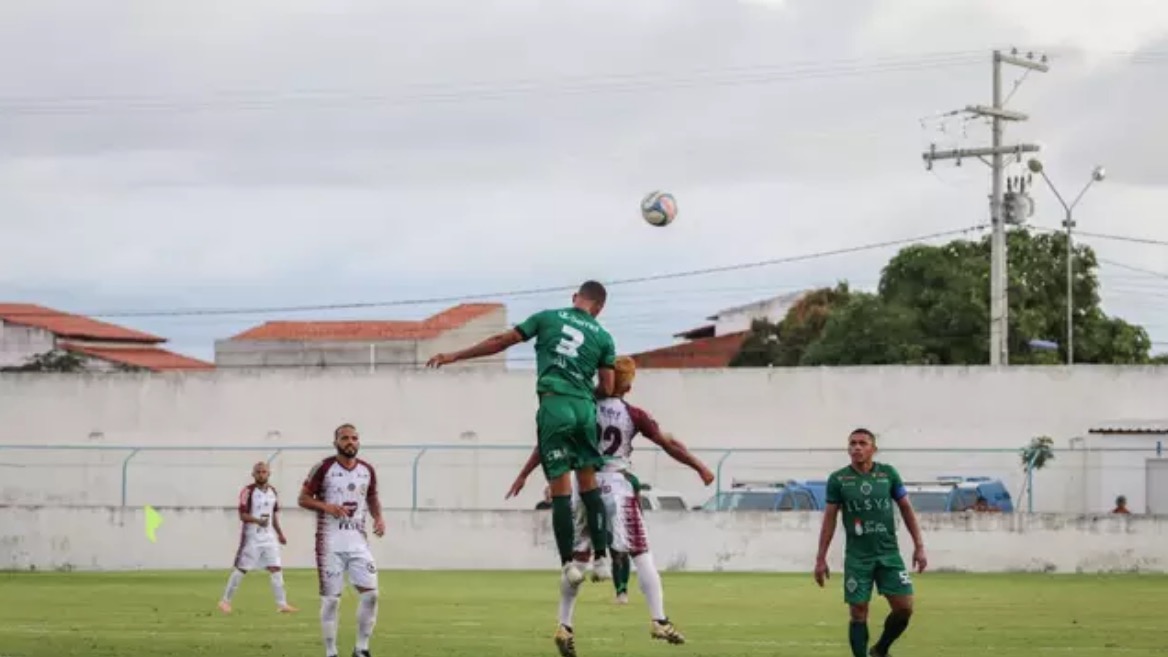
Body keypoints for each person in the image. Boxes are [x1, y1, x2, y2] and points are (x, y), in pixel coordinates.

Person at [506, 355, 715, 656]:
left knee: (576, 560)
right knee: (641, 552)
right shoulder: (633, 414)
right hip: (616, 486)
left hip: (582, 486)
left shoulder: (581, 407)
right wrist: (700, 467)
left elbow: (548, 443)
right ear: (628, 386)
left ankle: (564, 625)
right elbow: (669, 443)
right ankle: (659, 619)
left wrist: (525, 474)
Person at [427, 280, 617, 585]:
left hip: (554, 405)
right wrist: (582, 395)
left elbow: (502, 341)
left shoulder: (547, 317)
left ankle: (569, 563)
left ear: (574, 298)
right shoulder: (605, 338)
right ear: (600, 307)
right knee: (589, 484)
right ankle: (602, 559)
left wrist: (455, 356)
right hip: (584, 408)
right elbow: (607, 387)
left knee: (561, 491)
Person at [814, 428, 927, 657]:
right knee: (858, 612)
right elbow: (829, 519)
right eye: (852, 443)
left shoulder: (888, 474)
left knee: (904, 608)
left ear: (873, 449)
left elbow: (906, 508)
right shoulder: (838, 479)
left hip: (889, 554)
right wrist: (820, 558)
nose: (856, 447)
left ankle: (881, 649)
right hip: (858, 557)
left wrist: (919, 546)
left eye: (862, 443)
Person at [298, 423, 386, 657]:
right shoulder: (324, 468)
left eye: (354, 438)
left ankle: (361, 649)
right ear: (336, 442)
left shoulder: (367, 470)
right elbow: (303, 499)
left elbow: (372, 496)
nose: (350, 442)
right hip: (330, 543)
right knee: (331, 601)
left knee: (371, 594)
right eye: (345, 438)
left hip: (358, 542)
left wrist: (378, 518)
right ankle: (331, 652)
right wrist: (326, 506)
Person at [217, 461, 297, 614]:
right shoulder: (248, 491)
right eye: (258, 472)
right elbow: (243, 515)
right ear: (253, 474)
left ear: (269, 474)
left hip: (269, 537)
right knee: (242, 569)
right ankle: (225, 601)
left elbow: (273, 516)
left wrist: (279, 533)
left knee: (276, 568)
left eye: (264, 472)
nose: (261, 474)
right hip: (252, 537)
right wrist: (258, 521)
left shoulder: (273, 492)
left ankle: (282, 604)